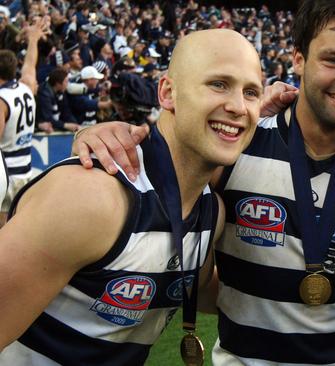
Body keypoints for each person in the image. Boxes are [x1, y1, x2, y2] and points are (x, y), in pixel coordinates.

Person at [71, 1, 335, 364]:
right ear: (298, 60)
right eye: (332, 59)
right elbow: (159, 167)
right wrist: (100, 133)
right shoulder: (232, 150)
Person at [0, 29, 261, 364]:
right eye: (218, 84)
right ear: (168, 92)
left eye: (251, 92)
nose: (238, 106)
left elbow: (215, 293)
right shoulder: (91, 197)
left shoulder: (210, 212)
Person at [0, 20, 43, 227]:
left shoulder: (1, 101)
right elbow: (30, 65)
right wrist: (33, 39)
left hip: (5, 177)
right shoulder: (26, 87)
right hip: (25, 171)